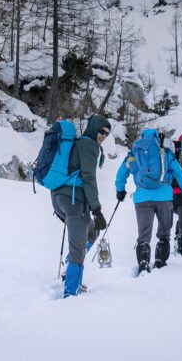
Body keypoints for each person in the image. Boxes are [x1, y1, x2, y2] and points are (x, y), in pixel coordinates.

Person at [51, 114, 111, 297]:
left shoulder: (78, 142)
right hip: (74, 201)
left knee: (91, 231)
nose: (103, 136)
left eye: (107, 134)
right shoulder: (89, 145)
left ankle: (69, 267)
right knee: (78, 249)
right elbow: (89, 178)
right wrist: (97, 209)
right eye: (101, 131)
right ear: (94, 128)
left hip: (59, 199)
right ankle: (71, 292)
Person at [116, 127, 182, 272]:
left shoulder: (133, 154)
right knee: (164, 232)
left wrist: (120, 190)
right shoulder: (165, 153)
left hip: (142, 198)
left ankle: (143, 263)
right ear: (157, 138)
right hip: (164, 197)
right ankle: (160, 261)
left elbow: (121, 173)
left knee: (144, 234)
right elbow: (179, 172)